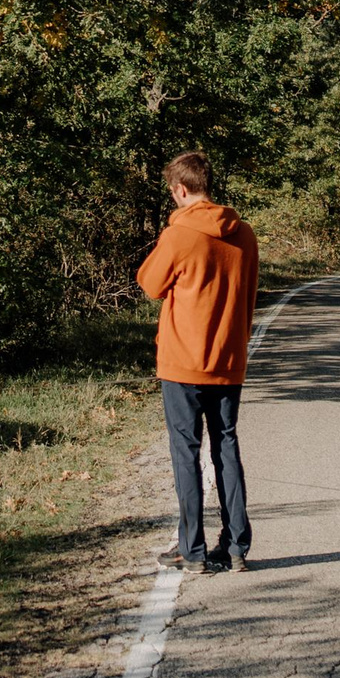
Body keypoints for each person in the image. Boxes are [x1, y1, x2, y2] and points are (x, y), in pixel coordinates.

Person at [135, 150, 260, 574]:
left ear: (180, 189)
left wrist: (170, 232)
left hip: (182, 363)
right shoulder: (244, 235)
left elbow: (150, 283)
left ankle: (191, 551)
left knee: (186, 451)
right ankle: (237, 545)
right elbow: (248, 296)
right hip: (228, 359)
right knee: (226, 445)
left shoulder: (180, 234)